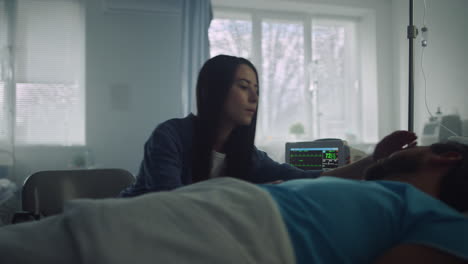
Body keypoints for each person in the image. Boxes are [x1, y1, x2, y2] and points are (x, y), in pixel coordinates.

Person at [0, 140, 467, 264]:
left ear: (444, 155)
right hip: (205, 217)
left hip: (232, 235)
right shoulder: (386, 198)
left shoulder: (446, 224)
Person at [120, 55, 416, 196]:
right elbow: (169, 202)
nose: (254, 97)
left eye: (257, 89)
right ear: (212, 90)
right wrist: (252, 193)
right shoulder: (170, 136)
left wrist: (376, 160)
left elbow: (312, 179)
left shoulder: (245, 154)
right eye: (242, 86)